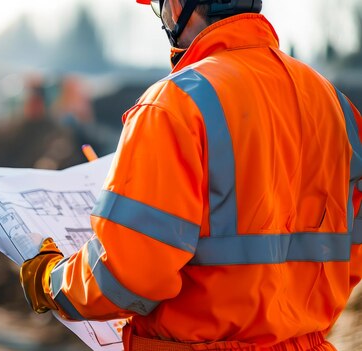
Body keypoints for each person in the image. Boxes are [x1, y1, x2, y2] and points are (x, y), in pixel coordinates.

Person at [19, 1, 362, 350]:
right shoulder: (335, 104)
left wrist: (52, 282)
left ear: (181, 5)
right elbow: (353, 253)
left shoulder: (174, 106)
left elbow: (128, 273)